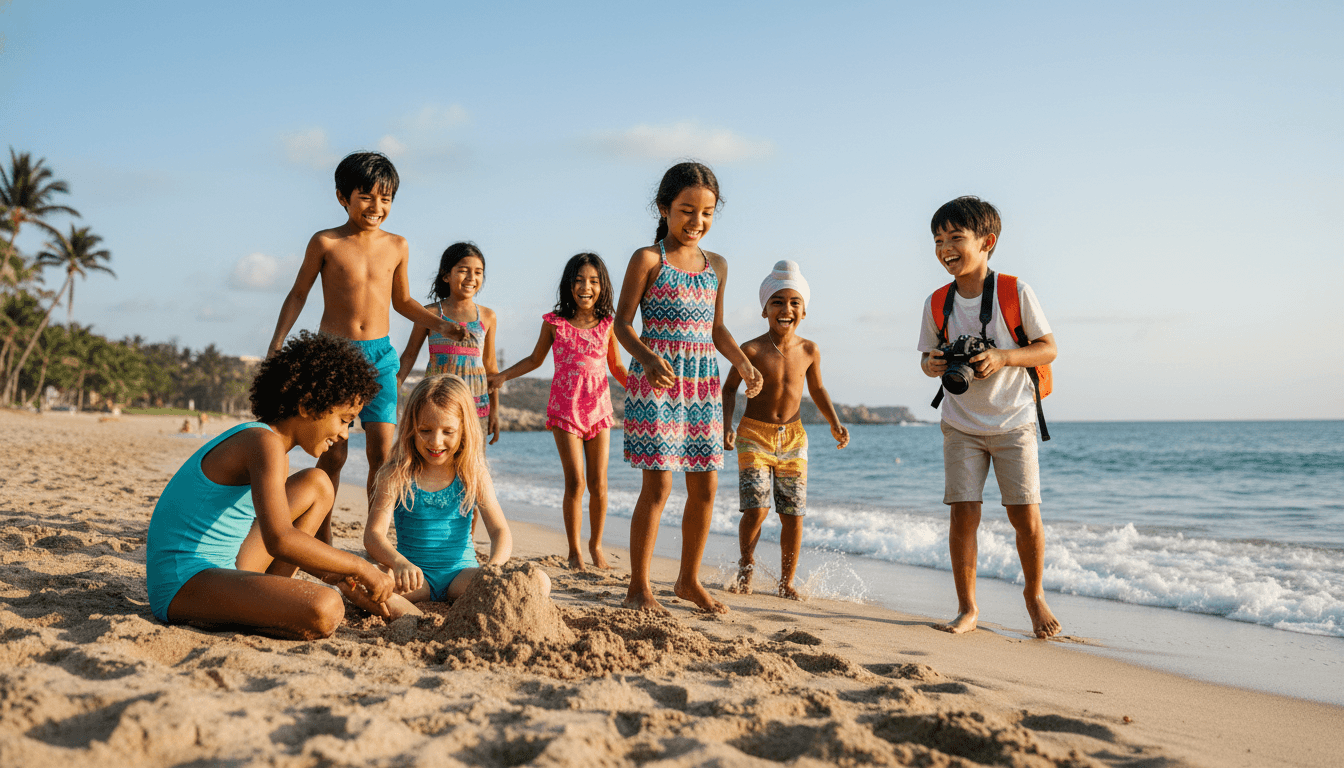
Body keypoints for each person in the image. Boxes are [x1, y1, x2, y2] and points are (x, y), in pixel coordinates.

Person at [146, 331, 396, 639]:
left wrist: (336, 573)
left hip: (224, 565)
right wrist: (360, 566)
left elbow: (279, 536)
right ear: (307, 407)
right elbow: (279, 538)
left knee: (317, 484)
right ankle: (270, 610)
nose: (345, 434)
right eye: (344, 419)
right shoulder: (263, 443)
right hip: (184, 581)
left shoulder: (268, 443)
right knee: (326, 607)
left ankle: (274, 598)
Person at [266, 151, 465, 527]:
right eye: (367, 197)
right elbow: (298, 294)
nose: (377, 207)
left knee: (383, 454)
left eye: (385, 199)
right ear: (343, 197)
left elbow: (403, 302)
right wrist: (277, 342)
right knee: (334, 454)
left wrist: (441, 325)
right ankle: (319, 532)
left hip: (381, 356)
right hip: (335, 357)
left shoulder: (397, 245)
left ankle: (374, 537)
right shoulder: (325, 242)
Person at [615, 161, 763, 614]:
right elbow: (621, 325)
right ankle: (638, 587)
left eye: (707, 213)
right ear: (664, 208)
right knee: (658, 487)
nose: (696, 222)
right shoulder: (648, 259)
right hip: (656, 381)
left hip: (702, 385)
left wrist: (743, 362)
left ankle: (687, 580)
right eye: (686, 211)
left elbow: (716, 329)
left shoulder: (716, 265)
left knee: (705, 488)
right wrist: (646, 357)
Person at [917, 196, 1061, 638]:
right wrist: (935, 365)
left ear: (987, 242)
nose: (945, 248)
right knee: (963, 515)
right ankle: (968, 608)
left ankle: (1034, 596)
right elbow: (925, 358)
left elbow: (1048, 348)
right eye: (938, 240)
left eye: (955, 238)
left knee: (1025, 516)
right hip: (960, 423)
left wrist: (1002, 357)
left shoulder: (1015, 292)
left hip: (1014, 420)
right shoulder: (937, 301)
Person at [363, 374, 548, 617]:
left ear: (464, 429)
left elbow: (500, 531)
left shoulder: (473, 473)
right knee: (361, 583)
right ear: (411, 428)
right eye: (425, 430)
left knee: (540, 580)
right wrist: (398, 563)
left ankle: (408, 613)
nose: (435, 441)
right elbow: (373, 535)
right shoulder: (396, 473)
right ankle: (416, 618)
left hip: (461, 577)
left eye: (447, 431)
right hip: (414, 576)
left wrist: (492, 568)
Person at [487, 253, 628, 571]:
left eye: (593, 281)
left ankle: (596, 547)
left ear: (602, 286)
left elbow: (617, 367)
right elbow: (535, 361)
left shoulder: (608, 324)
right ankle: (574, 550)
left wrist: (641, 387)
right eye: (578, 280)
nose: (585, 287)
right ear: (568, 284)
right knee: (576, 482)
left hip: (600, 410)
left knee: (600, 483)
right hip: (565, 409)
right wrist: (502, 376)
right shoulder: (554, 323)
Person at [723, 260, 849, 600]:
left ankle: (785, 581)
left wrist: (835, 423)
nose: (786, 309)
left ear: (804, 311)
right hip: (753, 435)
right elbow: (728, 389)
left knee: (793, 515)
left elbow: (819, 390)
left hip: (794, 439)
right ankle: (746, 566)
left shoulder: (809, 350)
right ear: (764, 309)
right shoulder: (750, 349)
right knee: (757, 509)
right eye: (778, 302)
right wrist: (727, 426)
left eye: (795, 303)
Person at [396, 242, 499, 444]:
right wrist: (394, 386)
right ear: (446, 275)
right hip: (437, 401)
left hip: (476, 402)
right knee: (436, 458)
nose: (471, 278)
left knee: (472, 466)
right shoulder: (430, 314)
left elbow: (491, 367)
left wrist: (495, 411)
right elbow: (410, 354)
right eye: (463, 271)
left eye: (478, 272)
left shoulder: (488, 316)